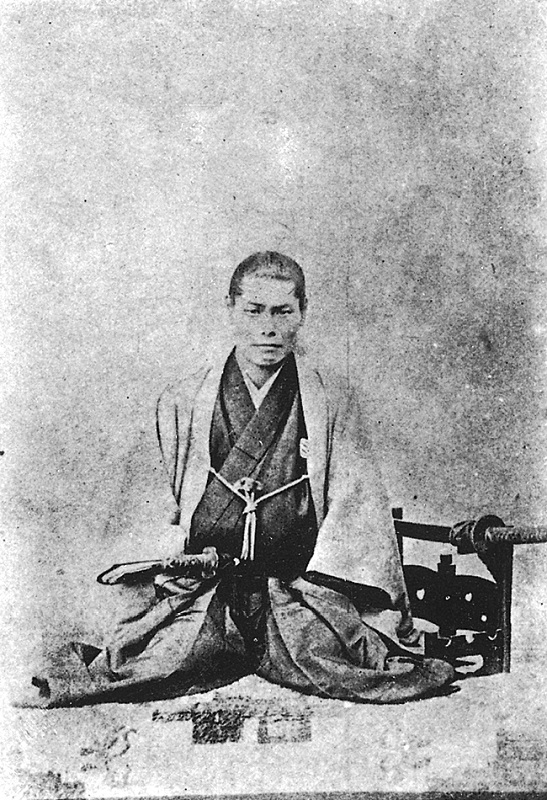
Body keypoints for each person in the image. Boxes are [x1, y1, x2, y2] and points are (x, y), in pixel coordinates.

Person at [28, 251, 454, 706]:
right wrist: (174, 560)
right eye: (254, 311)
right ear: (230, 308)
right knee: (157, 663)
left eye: (282, 312)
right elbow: (146, 507)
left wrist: (317, 583)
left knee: (328, 660)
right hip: (202, 591)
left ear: (303, 312)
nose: (268, 328)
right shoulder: (183, 400)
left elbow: (357, 510)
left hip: (295, 593)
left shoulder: (332, 401)